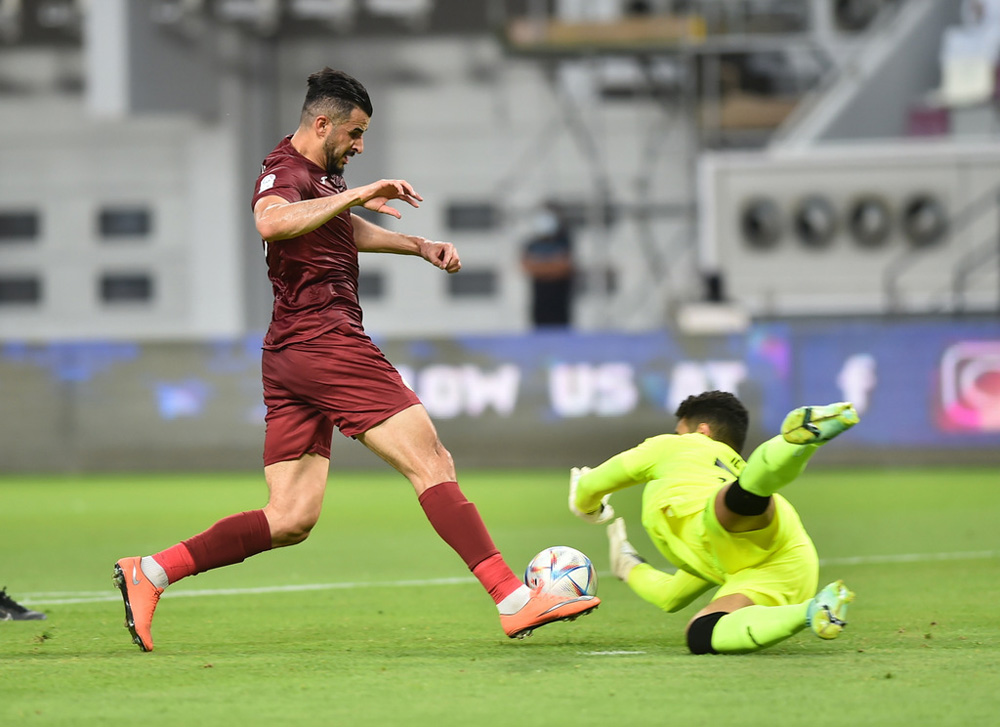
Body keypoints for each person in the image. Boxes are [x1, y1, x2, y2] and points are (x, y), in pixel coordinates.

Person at [112, 67, 598, 652]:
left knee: (290, 516)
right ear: (323, 124)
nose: (361, 147)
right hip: (327, 341)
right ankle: (514, 599)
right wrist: (359, 192)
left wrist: (417, 245)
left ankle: (152, 572)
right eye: (357, 134)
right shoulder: (285, 172)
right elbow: (271, 220)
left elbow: (341, 229)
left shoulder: (315, 180)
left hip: (290, 353)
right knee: (432, 461)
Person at [568, 391, 859, 654]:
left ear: (701, 430)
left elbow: (591, 485)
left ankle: (797, 442)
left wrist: (588, 508)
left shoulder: (675, 446)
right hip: (787, 564)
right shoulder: (734, 476)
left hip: (737, 524)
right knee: (701, 632)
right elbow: (670, 596)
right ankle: (813, 611)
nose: (675, 435)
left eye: (678, 430)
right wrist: (629, 566)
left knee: (732, 505)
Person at [520, 202, 574, 328]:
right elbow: (526, 266)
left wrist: (540, 266)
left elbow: (564, 267)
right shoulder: (531, 244)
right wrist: (552, 265)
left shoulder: (564, 241)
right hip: (539, 305)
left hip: (560, 305)